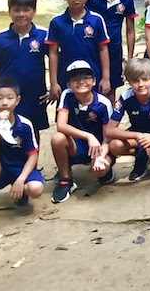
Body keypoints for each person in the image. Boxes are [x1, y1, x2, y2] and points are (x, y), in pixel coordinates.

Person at [0, 0, 50, 138]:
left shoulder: (43, 35)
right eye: (16, 10)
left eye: (26, 10)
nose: (21, 14)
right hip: (6, 95)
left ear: (34, 11)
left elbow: (55, 60)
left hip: (34, 93)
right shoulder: (0, 38)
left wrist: (54, 86)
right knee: (4, 126)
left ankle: (32, 161)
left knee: (32, 129)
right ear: (9, 12)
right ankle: (6, 161)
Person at [50, 61, 114, 203]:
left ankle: (106, 171)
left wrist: (100, 157)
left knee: (99, 171)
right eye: (75, 79)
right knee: (57, 138)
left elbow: (107, 138)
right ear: (69, 84)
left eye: (86, 78)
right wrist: (88, 136)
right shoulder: (67, 96)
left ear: (93, 81)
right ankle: (65, 179)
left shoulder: (103, 103)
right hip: (77, 145)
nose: (81, 82)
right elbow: (61, 125)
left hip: (99, 147)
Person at [0, 77, 45, 227]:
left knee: (36, 189)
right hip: (1, 168)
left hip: (20, 167)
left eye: (9, 98)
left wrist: (20, 179)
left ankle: (20, 190)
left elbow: (32, 155)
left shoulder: (24, 124)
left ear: (17, 100)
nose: (5, 102)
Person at [46, 0, 111, 99]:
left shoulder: (96, 20)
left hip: (91, 76)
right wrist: (53, 83)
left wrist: (106, 78)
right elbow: (53, 53)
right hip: (66, 77)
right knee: (66, 111)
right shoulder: (56, 22)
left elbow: (103, 49)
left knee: (93, 111)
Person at [86, 0, 137, 101]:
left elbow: (130, 30)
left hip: (114, 50)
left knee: (110, 88)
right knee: (89, 85)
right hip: (92, 48)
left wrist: (130, 57)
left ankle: (108, 120)